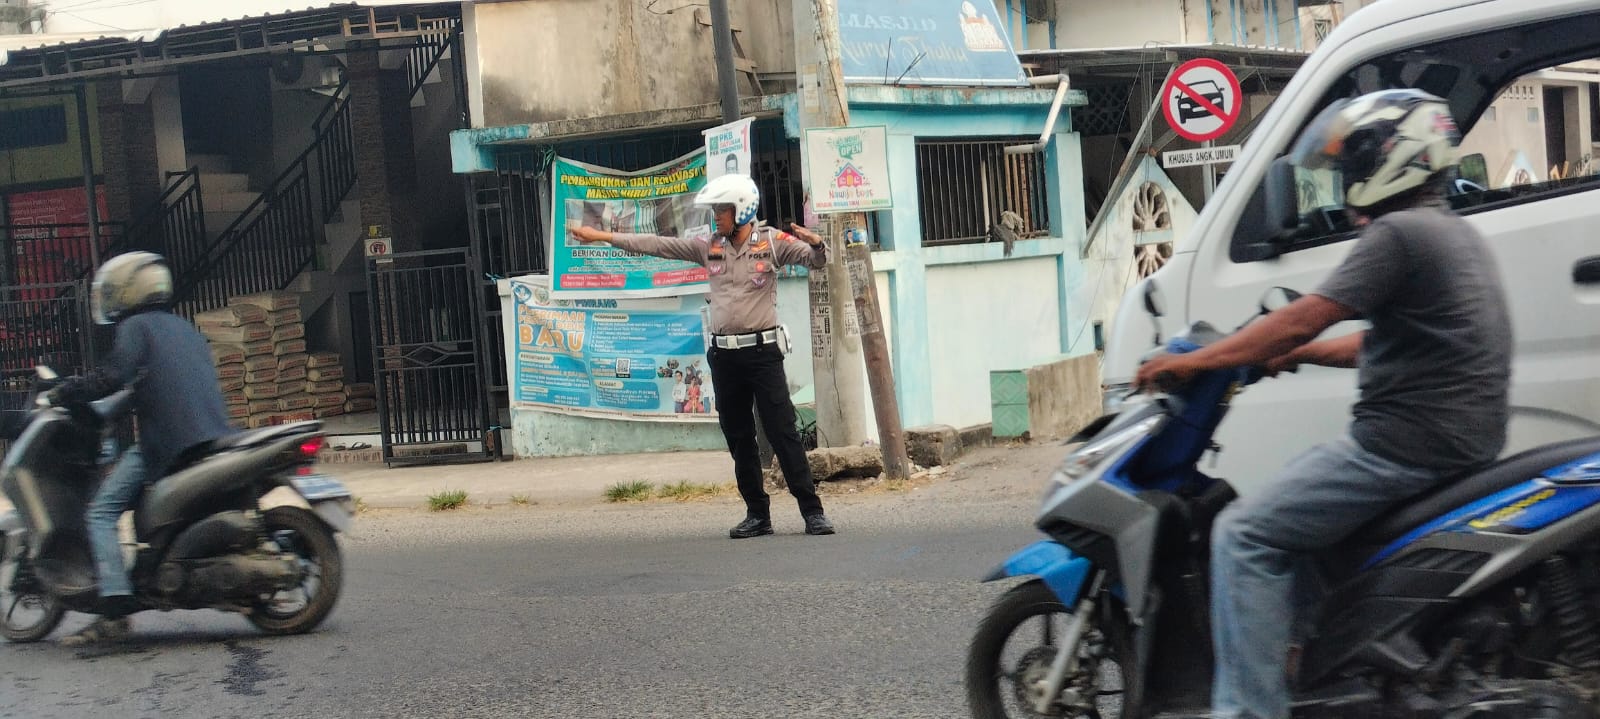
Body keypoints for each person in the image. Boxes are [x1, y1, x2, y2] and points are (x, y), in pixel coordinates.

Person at [1133, 89, 1511, 719]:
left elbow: (1299, 320)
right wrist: (1299, 357)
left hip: (1403, 446)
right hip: (1453, 440)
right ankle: (1314, 660)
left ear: (1395, 160)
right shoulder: (1448, 231)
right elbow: (1385, 342)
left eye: (1357, 162)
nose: (1347, 179)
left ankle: (1249, 709)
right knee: (1297, 509)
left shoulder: (1399, 235)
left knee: (1242, 533)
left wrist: (1192, 361)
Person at [571, 174, 837, 538]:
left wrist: (818, 243)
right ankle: (757, 514)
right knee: (739, 436)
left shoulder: (771, 243)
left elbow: (817, 261)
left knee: (783, 432)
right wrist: (602, 236)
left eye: (721, 211)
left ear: (742, 211)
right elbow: (658, 245)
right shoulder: (708, 246)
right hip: (725, 359)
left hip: (763, 355)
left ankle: (812, 511)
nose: (716, 218)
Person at [46, 251, 236, 646]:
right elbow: (142, 388)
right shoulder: (181, 328)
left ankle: (114, 606)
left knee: (101, 512)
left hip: (168, 442)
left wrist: (68, 391)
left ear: (127, 292)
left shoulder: (136, 328)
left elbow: (112, 377)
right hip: (213, 436)